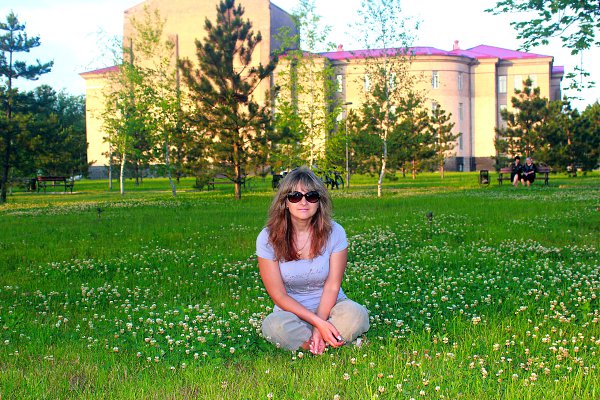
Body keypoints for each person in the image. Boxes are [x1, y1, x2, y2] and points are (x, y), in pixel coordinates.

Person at [256, 167, 369, 354]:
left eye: (311, 196)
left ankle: (314, 342)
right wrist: (317, 322)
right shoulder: (267, 237)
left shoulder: (335, 232)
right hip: (291, 312)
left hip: (332, 307)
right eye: (295, 196)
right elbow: (278, 295)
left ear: (319, 202)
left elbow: (332, 286)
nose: (303, 202)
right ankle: (330, 340)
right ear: (285, 202)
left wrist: (319, 326)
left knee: (356, 315)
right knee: (273, 326)